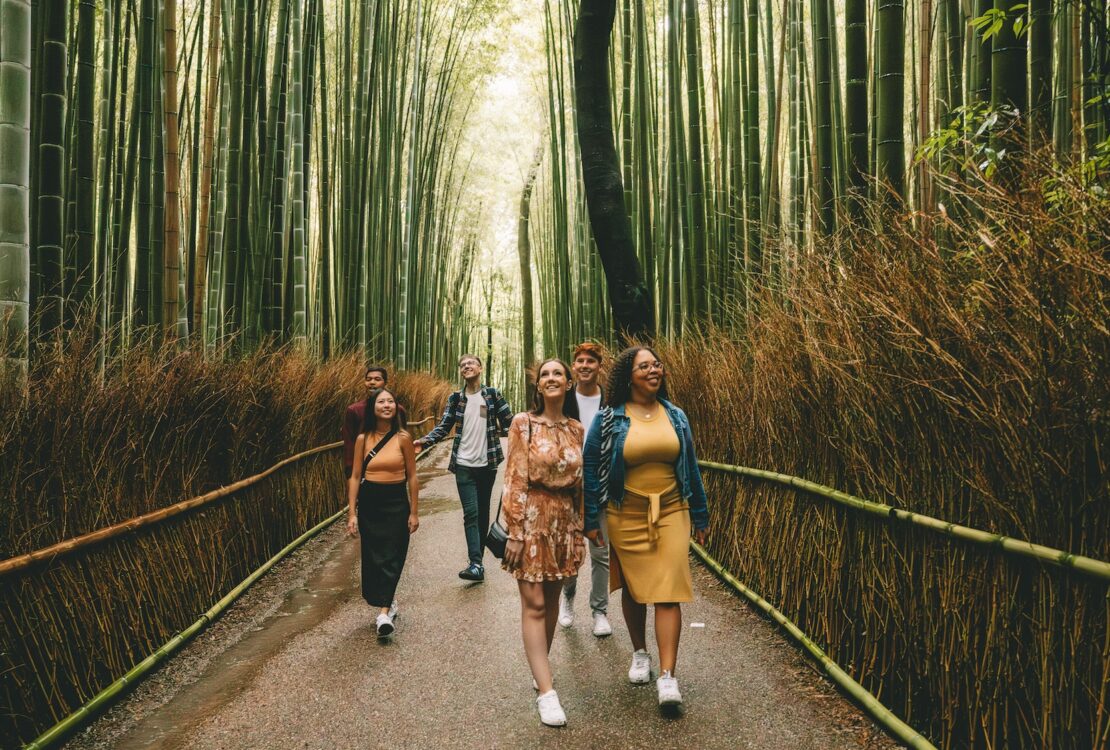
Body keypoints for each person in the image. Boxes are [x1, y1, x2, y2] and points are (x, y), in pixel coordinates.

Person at [582, 346, 710, 709]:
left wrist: (699, 515)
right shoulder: (610, 418)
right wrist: (592, 518)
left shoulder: (676, 416)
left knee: (669, 589)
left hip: (671, 509)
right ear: (629, 375)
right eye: (645, 366)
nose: (654, 370)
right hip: (627, 513)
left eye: (657, 364)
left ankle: (668, 677)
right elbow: (591, 467)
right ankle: (640, 653)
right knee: (636, 590)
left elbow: (692, 467)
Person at [501, 358, 586, 727]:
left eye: (558, 374)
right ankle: (548, 693)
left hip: (564, 521)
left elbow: (582, 487)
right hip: (532, 516)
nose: (551, 379)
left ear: (568, 384)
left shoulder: (577, 429)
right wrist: (516, 530)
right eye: (545, 375)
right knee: (533, 601)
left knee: (550, 599)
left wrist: (581, 532)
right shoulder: (523, 423)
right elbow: (515, 477)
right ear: (538, 386)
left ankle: (541, 674)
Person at [414, 354, 513, 582]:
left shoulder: (492, 395)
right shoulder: (456, 398)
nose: (466, 366)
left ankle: (478, 561)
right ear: (461, 372)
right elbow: (444, 425)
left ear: (480, 368)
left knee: (482, 514)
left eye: (471, 363)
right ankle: (475, 563)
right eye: (462, 365)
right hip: (463, 464)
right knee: (471, 513)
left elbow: (510, 421)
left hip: (487, 464)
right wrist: (424, 441)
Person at [347, 387, 420, 637]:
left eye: (390, 401)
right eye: (381, 402)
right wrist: (352, 513)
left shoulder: (403, 438)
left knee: (394, 554)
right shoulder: (362, 439)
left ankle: (383, 613)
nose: (386, 405)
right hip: (370, 503)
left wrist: (414, 512)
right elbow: (355, 476)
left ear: (396, 407)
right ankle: (386, 603)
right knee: (375, 556)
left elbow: (412, 477)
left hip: (396, 501)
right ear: (373, 408)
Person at [558, 342, 612, 637]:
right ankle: (568, 596)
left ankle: (599, 610)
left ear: (598, 366)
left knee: (601, 553)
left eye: (591, 360)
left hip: (601, 486)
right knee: (569, 552)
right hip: (569, 487)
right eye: (579, 360)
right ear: (573, 367)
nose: (585, 365)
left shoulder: (610, 399)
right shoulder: (565, 399)